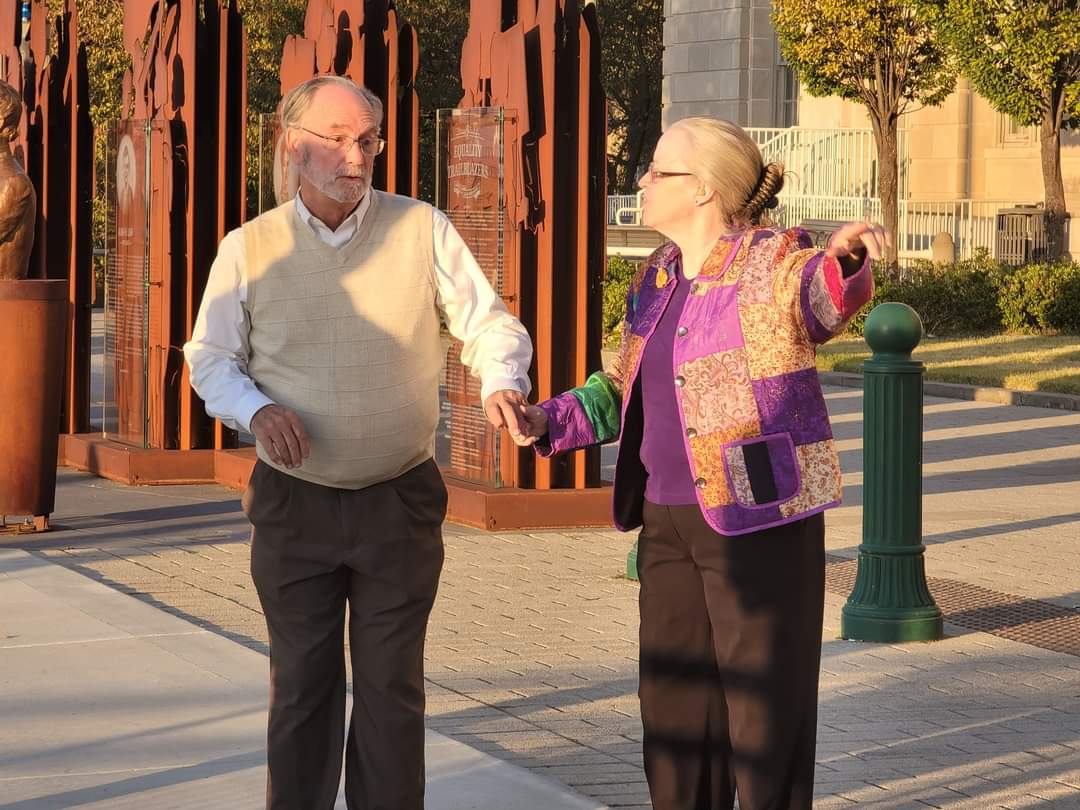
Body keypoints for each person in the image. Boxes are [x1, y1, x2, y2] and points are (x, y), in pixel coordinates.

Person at [512, 117, 885, 810]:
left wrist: (847, 261)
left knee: (763, 722)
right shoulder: (655, 273)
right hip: (666, 520)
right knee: (675, 718)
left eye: (659, 171)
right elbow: (624, 385)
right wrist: (548, 420)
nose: (643, 181)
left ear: (706, 190)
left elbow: (821, 298)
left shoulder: (775, 260)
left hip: (756, 519)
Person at [183, 75, 533, 810]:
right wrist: (257, 410)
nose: (357, 155)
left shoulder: (422, 227)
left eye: (368, 139)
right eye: (337, 139)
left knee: (391, 691)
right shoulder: (250, 248)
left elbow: (488, 321)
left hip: (399, 499)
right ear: (292, 144)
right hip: (294, 504)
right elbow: (209, 357)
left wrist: (501, 377)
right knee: (304, 688)